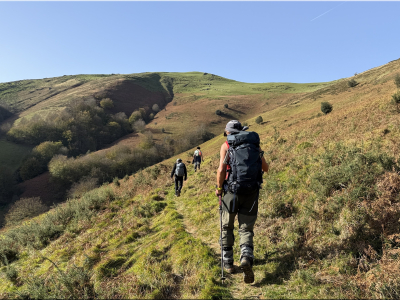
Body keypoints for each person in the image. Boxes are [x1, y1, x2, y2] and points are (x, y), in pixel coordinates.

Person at [215, 120, 269, 284]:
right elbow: (265, 168)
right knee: (246, 228)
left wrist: (219, 189)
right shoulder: (254, 144)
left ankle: (228, 262)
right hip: (251, 192)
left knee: (227, 225)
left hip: (231, 192)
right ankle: (246, 257)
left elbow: (221, 170)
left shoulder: (227, 146)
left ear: (228, 132)